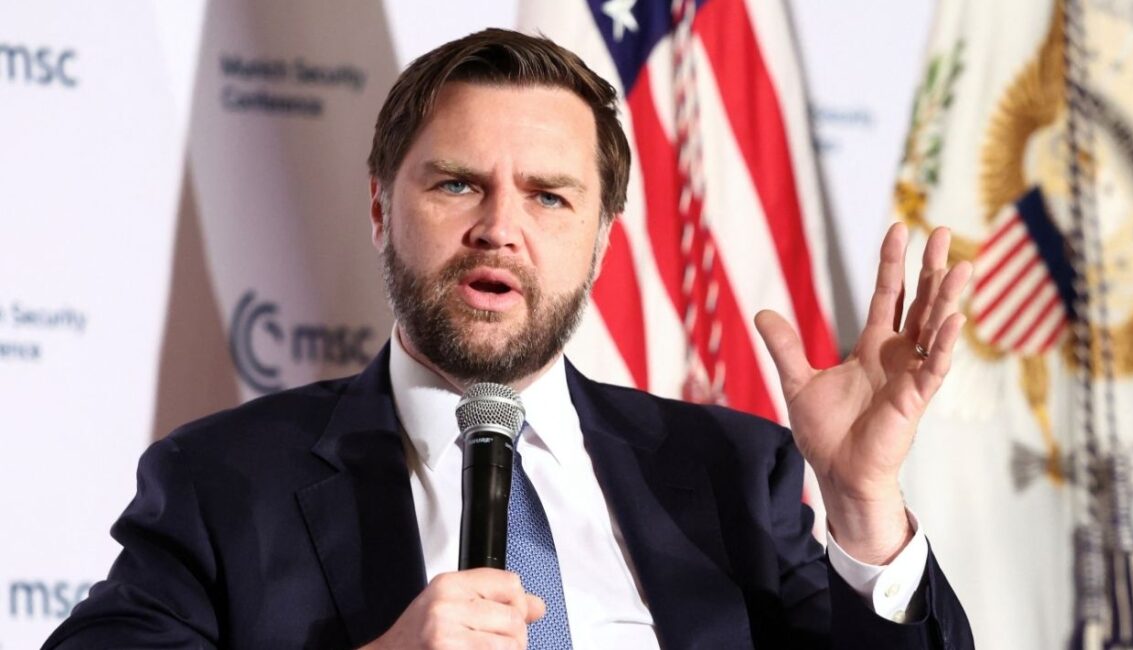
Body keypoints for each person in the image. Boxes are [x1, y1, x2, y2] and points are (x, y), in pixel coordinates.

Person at [44, 29, 974, 649]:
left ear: (602, 238)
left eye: (548, 195)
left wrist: (863, 508)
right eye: (456, 185)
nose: (500, 226)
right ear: (380, 206)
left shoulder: (728, 472)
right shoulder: (224, 481)